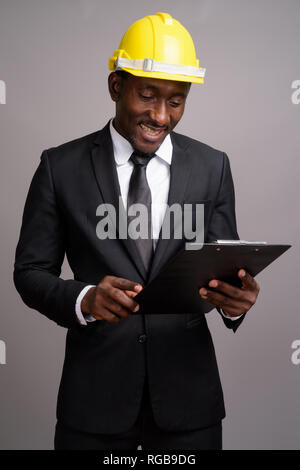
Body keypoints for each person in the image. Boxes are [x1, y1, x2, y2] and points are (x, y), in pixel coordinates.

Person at [13, 12, 260, 450]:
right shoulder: (60, 167)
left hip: (189, 404)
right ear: (116, 86)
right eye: (147, 96)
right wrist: (85, 298)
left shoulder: (213, 166)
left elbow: (224, 267)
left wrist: (235, 304)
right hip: (94, 403)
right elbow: (30, 271)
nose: (160, 116)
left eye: (177, 101)